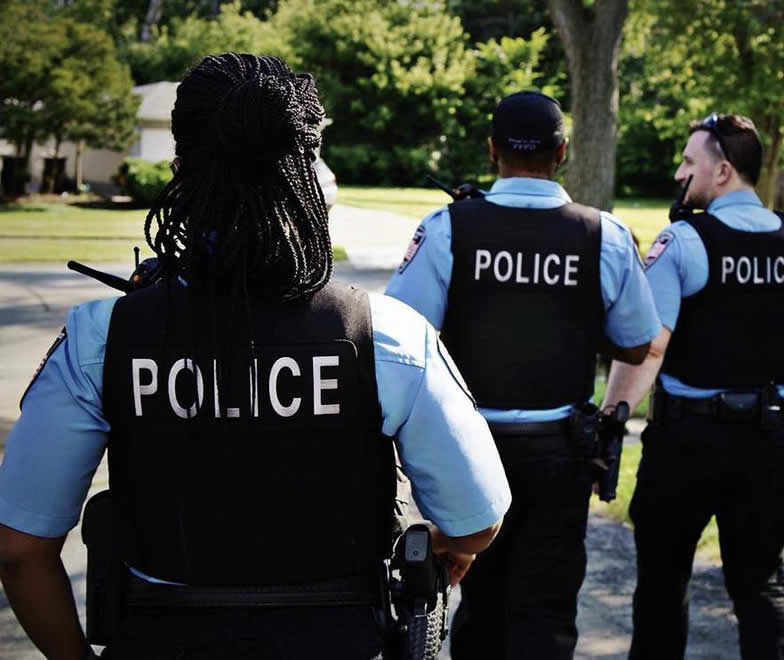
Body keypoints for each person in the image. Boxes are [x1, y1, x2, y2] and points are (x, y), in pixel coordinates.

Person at [0, 53, 511, 660]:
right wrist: (447, 543)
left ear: (180, 164)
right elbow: (476, 521)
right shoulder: (387, 335)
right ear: (309, 169)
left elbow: (20, 548)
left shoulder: (102, 336)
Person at [385, 90, 661, 660]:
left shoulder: (447, 228)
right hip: (560, 451)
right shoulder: (604, 235)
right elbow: (638, 346)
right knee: (548, 607)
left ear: (492, 151)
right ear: (562, 151)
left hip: (471, 444)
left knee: (479, 603)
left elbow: (404, 334)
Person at [602, 113, 784, 660]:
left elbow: (650, 345)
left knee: (663, 586)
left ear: (724, 171)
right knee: (764, 585)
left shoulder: (684, 241)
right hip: (770, 439)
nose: (680, 172)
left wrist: (611, 417)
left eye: (690, 162)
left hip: (689, 444)